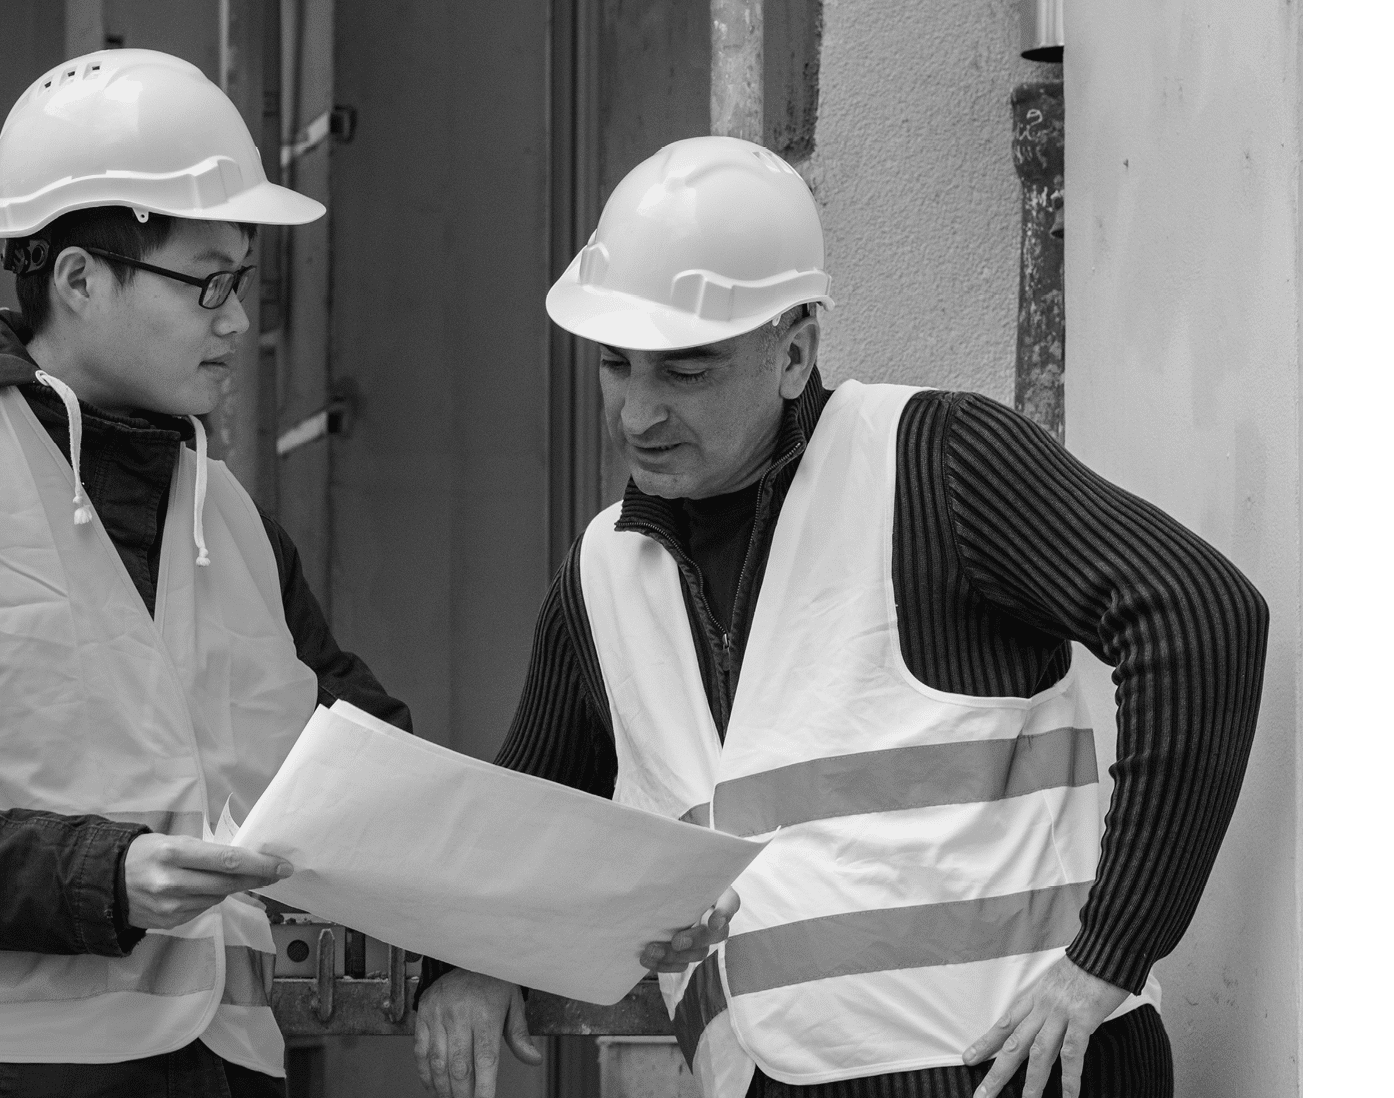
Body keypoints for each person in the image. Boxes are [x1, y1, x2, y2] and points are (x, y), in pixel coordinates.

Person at [414, 136, 1268, 1098]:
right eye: (617, 367)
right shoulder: (604, 576)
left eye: (684, 373)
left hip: (1013, 1073)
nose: (637, 414)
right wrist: (470, 959)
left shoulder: (935, 465)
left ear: (793, 353)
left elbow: (1198, 619)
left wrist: (1108, 957)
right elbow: (530, 820)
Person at [0, 49, 415, 1096]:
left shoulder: (226, 517)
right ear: (79, 278)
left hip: (226, 1071)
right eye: (209, 283)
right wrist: (101, 876)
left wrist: (572, 915)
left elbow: (377, 776)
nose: (235, 318)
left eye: (242, 281)